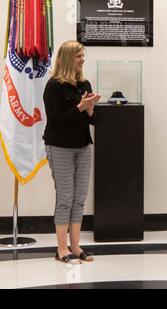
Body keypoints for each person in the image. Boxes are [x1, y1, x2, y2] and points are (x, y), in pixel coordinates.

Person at [43, 40, 101, 264]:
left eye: (83, 56)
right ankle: (61, 249)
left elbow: (94, 121)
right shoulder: (54, 86)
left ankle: (75, 246)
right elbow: (56, 122)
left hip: (83, 147)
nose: (82, 59)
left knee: (79, 199)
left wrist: (90, 109)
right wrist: (79, 107)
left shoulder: (84, 83)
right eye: (78, 56)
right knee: (65, 199)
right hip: (60, 147)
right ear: (68, 58)